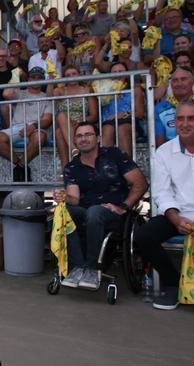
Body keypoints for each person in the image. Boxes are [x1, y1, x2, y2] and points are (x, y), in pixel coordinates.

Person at [54, 122, 147, 289]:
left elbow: (140, 183)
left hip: (115, 213)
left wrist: (123, 207)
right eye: (79, 136)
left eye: (88, 134)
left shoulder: (114, 155)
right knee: (65, 212)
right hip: (88, 213)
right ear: (74, 141)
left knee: (95, 212)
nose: (84, 139)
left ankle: (91, 269)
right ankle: (77, 267)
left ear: (98, 138)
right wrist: (65, 197)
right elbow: (74, 198)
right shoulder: (72, 167)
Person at [135, 100, 194, 310]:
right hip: (177, 212)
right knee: (143, 236)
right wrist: (176, 218)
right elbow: (162, 192)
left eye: (191, 118)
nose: (185, 124)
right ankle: (173, 283)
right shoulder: (164, 153)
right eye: (180, 118)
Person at [0, 67, 53, 181]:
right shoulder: (20, 93)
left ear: (43, 80)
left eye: (39, 78)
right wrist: (16, 75)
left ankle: (20, 166)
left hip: (35, 128)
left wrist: (33, 126)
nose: (36, 80)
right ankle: (19, 163)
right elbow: (6, 93)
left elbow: (47, 120)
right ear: (28, 79)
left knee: (40, 138)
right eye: (33, 77)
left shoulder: (46, 97)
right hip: (17, 128)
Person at [51, 66, 99, 167]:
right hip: (63, 123)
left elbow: (94, 115)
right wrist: (51, 81)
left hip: (82, 124)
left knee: (59, 133)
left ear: (79, 75)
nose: (71, 77)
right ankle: (74, 149)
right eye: (68, 75)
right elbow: (48, 96)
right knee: (60, 116)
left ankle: (66, 169)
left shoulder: (87, 90)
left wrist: (80, 121)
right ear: (64, 78)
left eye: (74, 74)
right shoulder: (60, 91)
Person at [99, 62, 145, 156]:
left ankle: (127, 167)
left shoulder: (135, 89)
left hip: (128, 121)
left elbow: (140, 113)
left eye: (120, 71)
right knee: (108, 129)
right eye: (114, 72)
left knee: (121, 129)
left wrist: (123, 114)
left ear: (127, 74)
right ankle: (106, 167)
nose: (117, 74)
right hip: (108, 123)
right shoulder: (103, 90)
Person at [155, 66, 194, 146]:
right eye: (175, 80)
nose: (179, 84)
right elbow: (161, 144)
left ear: (192, 81)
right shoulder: (160, 109)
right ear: (171, 84)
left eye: (183, 79)